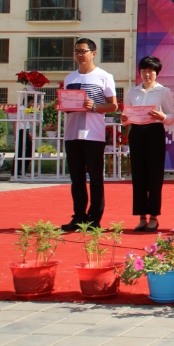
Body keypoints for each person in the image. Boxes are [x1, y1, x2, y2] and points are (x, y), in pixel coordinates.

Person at [61, 38, 118, 231]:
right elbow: (67, 103)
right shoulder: (69, 78)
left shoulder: (104, 76)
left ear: (93, 53)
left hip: (93, 134)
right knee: (76, 179)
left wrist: (94, 106)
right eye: (76, 51)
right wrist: (60, 104)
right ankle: (78, 217)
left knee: (95, 178)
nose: (79, 54)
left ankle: (94, 218)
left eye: (83, 51)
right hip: (71, 134)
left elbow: (113, 105)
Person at [121, 56, 174, 233]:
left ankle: (153, 217)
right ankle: (141, 217)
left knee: (154, 176)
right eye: (144, 71)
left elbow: (172, 117)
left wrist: (162, 117)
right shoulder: (132, 91)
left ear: (157, 72)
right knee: (138, 176)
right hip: (136, 133)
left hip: (154, 133)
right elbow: (126, 117)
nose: (147, 74)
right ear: (140, 72)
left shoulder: (163, 91)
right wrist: (123, 118)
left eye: (151, 71)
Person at [16, 97, 34, 174]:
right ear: (27, 102)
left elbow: (26, 123)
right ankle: (17, 169)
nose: (32, 104)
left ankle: (23, 167)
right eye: (31, 102)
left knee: (28, 148)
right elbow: (15, 122)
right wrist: (16, 134)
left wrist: (28, 133)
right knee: (20, 150)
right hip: (20, 131)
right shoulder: (20, 109)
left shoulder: (27, 110)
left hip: (25, 131)